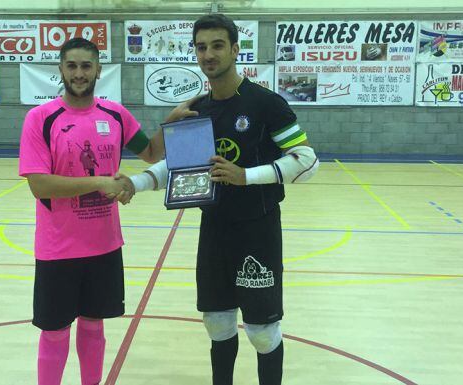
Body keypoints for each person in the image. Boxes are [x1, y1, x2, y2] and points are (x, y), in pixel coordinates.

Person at [127, 14, 319, 385]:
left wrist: (245, 176)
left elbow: (307, 162)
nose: (208, 54)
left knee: (263, 332)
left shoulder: (267, 104)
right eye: (201, 47)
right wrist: (132, 184)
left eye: (217, 45)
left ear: (235, 49)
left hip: (258, 229)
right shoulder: (198, 108)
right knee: (216, 322)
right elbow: (180, 167)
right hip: (214, 229)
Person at [18, 37, 163, 385]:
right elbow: (39, 185)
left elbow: (152, 154)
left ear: (99, 69)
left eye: (86, 66)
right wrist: (98, 183)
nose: (79, 73)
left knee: (94, 324)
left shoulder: (116, 114)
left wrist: (174, 119)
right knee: (54, 331)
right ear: (61, 70)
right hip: (58, 249)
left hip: (104, 245)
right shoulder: (41, 118)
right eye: (72, 66)